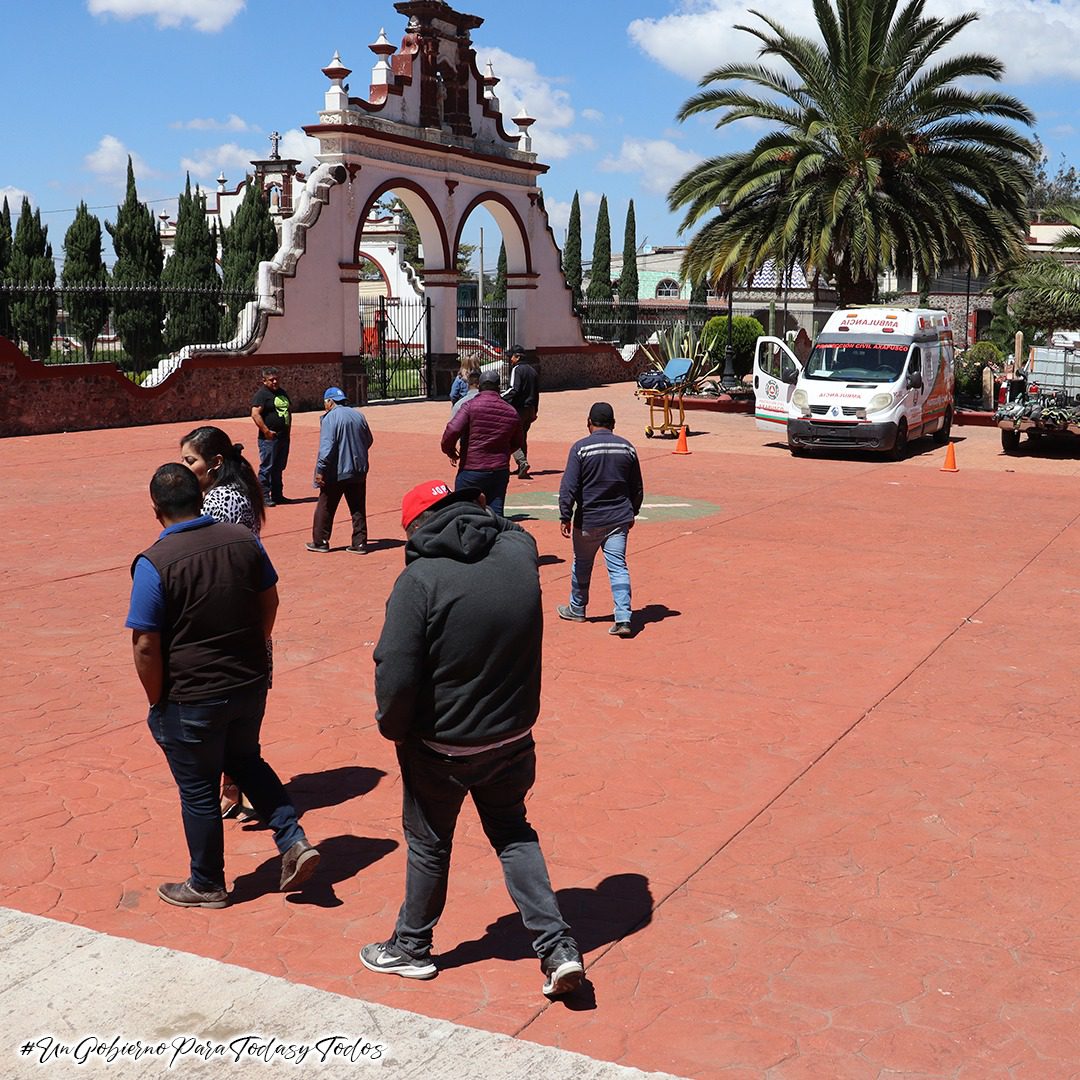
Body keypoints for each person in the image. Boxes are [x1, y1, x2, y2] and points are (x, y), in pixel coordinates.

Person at [361, 480, 584, 999]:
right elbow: (507, 528)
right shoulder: (519, 552)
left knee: (430, 842)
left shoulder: (420, 580)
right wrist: (477, 509)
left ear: (416, 530)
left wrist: (394, 729)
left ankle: (411, 947)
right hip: (511, 736)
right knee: (513, 832)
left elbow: (394, 672)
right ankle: (558, 948)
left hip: (442, 744)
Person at [126, 464, 319, 907]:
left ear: (156, 510)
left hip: (191, 695)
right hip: (248, 683)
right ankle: (292, 839)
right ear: (200, 497)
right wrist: (255, 645)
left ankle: (208, 882)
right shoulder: (243, 540)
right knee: (246, 759)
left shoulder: (155, 563)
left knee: (198, 788)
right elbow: (269, 600)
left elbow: (145, 646)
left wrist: (157, 699)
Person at [179, 425, 267, 821]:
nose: (185, 469)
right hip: (243, 619)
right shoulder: (231, 492)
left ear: (215, 463)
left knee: (231, 723)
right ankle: (235, 788)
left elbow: (210, 564)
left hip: (231, 625)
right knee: (239, 724)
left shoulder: (220, 502)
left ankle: (249, 793)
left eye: (190, 461)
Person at [556, 402, 643, 638]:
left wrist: (565, 514)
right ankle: (623, 617)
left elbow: (569, 487)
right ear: (613, 424)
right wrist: (632, 513)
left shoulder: (580, 449)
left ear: (588, 423)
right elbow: (637, 487)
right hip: (618, 519)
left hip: (588, 520)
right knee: (618, 567)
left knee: (582, 564)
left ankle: (577, 608)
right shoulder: (627, 448)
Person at [440, 370, 522, 517]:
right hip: (499, 470)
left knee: (464, 513)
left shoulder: (470, 406)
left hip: (471, 469)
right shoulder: (511, 411)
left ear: (479, 386)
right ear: (498, 388)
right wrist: (502, 452)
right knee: (495, 515)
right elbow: (518, 441)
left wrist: (449, 450)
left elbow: (452, 430)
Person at [307, 387, 374, 554]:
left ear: (330, 401)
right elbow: (369, 439)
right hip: (358, 469)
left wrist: (320, 470)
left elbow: (327, 447)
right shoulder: (358, 415)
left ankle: (320, 541)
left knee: (326, 505)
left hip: (336, 471)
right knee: (358, 507)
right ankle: (359, 543)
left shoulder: (331, 418)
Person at [180, 426, 265, 537]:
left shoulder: (220, 498)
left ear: (216, 462)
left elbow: (205, 545)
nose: (183, 467)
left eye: (190, 461)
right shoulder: (236, 486)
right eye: (182, 460)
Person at [250, 367, 292, 506]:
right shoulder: (262, 395)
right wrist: (266, 431)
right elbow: (255, 414)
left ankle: (278, 495)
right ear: (264, 381)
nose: (275, 381)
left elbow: (287, 411)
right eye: (271, 379)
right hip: (269, 439)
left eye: (276, 379)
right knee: (267, 467)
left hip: (283, 437)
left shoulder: (282, 393)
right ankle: (263, 496)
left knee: (279, 466)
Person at [502, 345, 539, 479]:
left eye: (511, 356)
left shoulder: (517, 369)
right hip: (530, 409)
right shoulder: (532, 370)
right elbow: (536, 393)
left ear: (517, 357)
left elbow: (513, 389)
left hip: (519, 409)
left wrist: (499, 397)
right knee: (522, 437)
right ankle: (521, 466)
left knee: (512, 436)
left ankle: (522, 462)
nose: (510, 359)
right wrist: (535, 410)